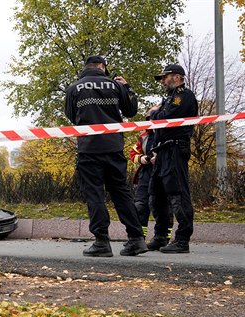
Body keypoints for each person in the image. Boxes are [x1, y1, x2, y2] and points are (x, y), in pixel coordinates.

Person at [64, 55, 148, 257]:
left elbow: (71, 115)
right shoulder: (115, 85)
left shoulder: (74, 88)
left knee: (95, 195)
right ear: (102, 67)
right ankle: (136, 239)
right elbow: (131, 111)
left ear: (87, 67)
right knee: (121, 193)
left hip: (89, 148)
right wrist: (127, 88)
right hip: (113, 147)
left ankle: (102, 241)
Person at [146, 64, 198, 253]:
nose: (162, 81)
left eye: (164, 77)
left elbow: (165, 117)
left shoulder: (183, 96)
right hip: (162, 151)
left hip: (175, 149)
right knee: (156, 195)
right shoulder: (169, 97)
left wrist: (153, 113)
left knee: (177, 194)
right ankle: (161, 236)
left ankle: (182, 240)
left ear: (176, 77)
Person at [129, 130, 173, 248]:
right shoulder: (144, 136)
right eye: (149, 118)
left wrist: (161, 158)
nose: (151, 120)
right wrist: (141, 158)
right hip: (146, 173)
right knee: (140, 205)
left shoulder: (170, 133)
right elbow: (133, 153)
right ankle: (139, 238)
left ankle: (162, 238)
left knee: (162, 206)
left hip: (164, 172)